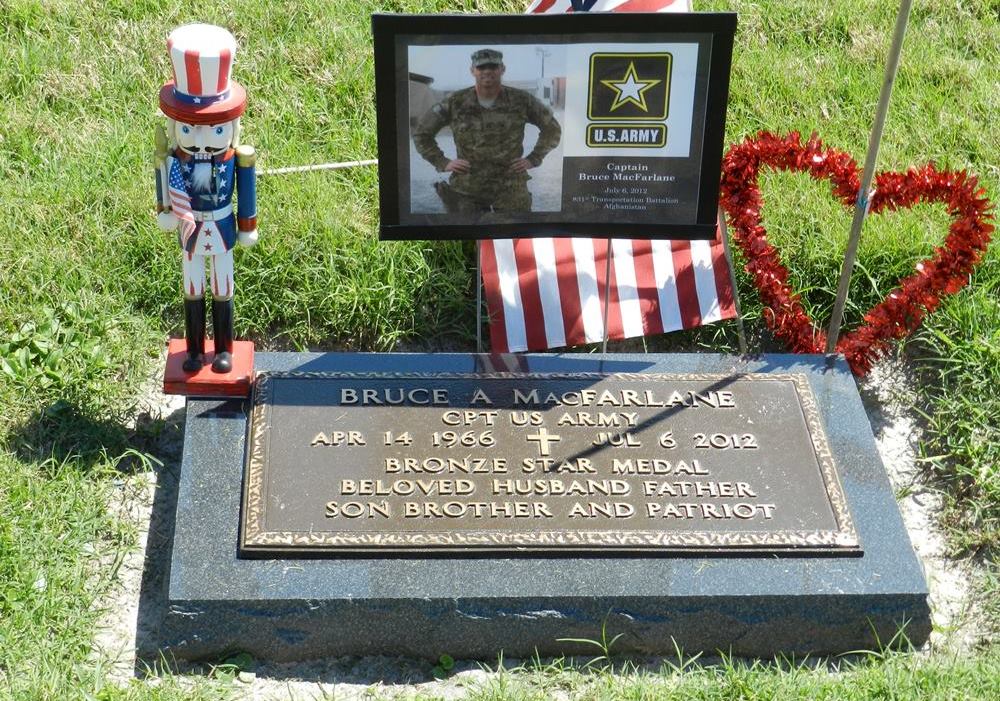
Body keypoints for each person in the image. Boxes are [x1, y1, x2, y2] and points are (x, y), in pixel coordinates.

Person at [154, 24, 258, 373]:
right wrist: (165, 208)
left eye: (214, 129)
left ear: (232, 127)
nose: (200, 140)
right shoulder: (174, 162)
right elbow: (165, 187)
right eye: (189, 128)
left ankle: (224, 349)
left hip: (224, 227)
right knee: (192, 287)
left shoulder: (236, 159)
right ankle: (196, 349)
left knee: (223, 287)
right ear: (174, 128)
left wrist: (248, 226)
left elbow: (246, 194)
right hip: (189, 228)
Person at [412, 48, 561, 214]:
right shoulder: (455, 102)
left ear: (502, 69)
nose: (487, 71)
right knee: (466, 236)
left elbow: (552, 129)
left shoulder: (522, 100)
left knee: (514, 234)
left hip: (510, 189)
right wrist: (442, 162)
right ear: (472, 71)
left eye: (493, 66)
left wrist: (534, 158)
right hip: (467, 190)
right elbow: (422, 134)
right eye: (481, 67)